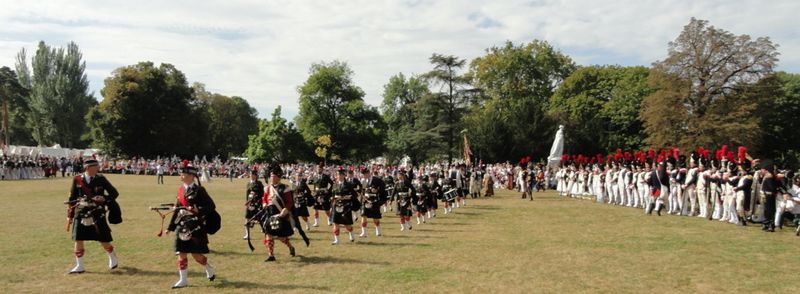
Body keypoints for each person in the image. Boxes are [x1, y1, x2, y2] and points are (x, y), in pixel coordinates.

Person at [166, 161, 217, 288]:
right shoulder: (180, 190)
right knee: (181, 252)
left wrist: (197, 210)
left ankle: (208, 268)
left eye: (183, 173)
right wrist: (170, 227)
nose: (181, 175)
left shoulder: (199, 190)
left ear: (191, 176)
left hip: (195, 227)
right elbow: (177, 209)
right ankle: (183, 280)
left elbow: (211, 206)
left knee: (196, 255)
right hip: (181, 225)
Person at [66, 158, 120, 274]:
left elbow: (114, 193)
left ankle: (113, 257)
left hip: (97, 212)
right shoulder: (77, 179)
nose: (98, 168)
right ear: (88, 168)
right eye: (95, 167)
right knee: (78, 238)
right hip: (80, 212)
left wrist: (104, 198)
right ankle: (80, 265)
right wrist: (69, 215)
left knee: (103, 238)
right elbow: (72, 199)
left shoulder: (101, 179)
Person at [261, 165, 296, 261]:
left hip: (281, 214)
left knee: (281, 237)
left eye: (273, 176)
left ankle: (290, 247)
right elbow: (264, 199)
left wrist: (286, 209)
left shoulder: (285, 188)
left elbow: (289, 202)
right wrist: (264, 204)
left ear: (278, 177)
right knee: (269, 234)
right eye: (271, 176)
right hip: (270, 214)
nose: (271, 178)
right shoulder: (267, 188)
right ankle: (271, 255)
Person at [330, 169, 360, 244]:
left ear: (344, 175)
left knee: (347, 225)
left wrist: (347, 197)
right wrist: (331, 205)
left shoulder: (349, 185)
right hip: (336, 206)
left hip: (346, 207)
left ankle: (351, 233)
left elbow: (355, 195)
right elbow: (333, 195)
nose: (339, 176)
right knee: (335, 223)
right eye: (338, 175)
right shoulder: (335, 184)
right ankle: (337, 240)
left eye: (340, 175)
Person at [359, 167, 387, 237]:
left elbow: (383, 187)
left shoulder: (376, 180)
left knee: (375, 218)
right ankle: (364, 232)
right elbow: (362, 191)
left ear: (369, 173)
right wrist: (362, 198)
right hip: (366, 200)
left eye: (365, 174)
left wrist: (377, 191)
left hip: (374, 200)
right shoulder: (362, 181)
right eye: (363, 174)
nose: (364, 175)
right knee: (363, 215)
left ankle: (378, 231)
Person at [243, 168, 264, 240]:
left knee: (260, 219)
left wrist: (258, 202)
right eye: (250, 174)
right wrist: (247, 202)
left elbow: (262, 194)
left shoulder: (259, 183)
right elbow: (247, 194)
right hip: (249, 204)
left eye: (252, 174)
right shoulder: (248, 183)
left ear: (255, 175)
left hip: (257, 204)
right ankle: (248, 234)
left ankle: (265, 230)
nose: (251, 176)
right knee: (247, 218)